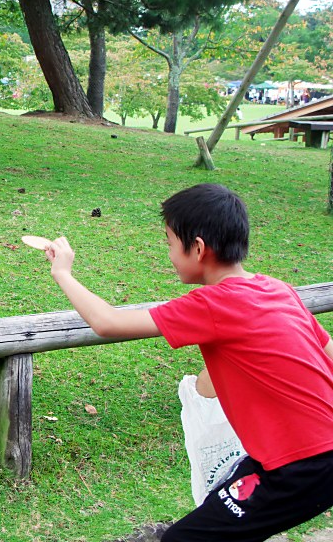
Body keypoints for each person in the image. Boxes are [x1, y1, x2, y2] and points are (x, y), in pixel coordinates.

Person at [44, 183, 333, 541]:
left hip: (299, 466)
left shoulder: (213, 303)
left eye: (169, 244)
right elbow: (324, 350)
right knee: (220, 517)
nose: (168, 254)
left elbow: (108, 323)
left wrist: (63, 274)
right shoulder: (276, 289)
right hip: (299, 454)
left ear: (197, 248)